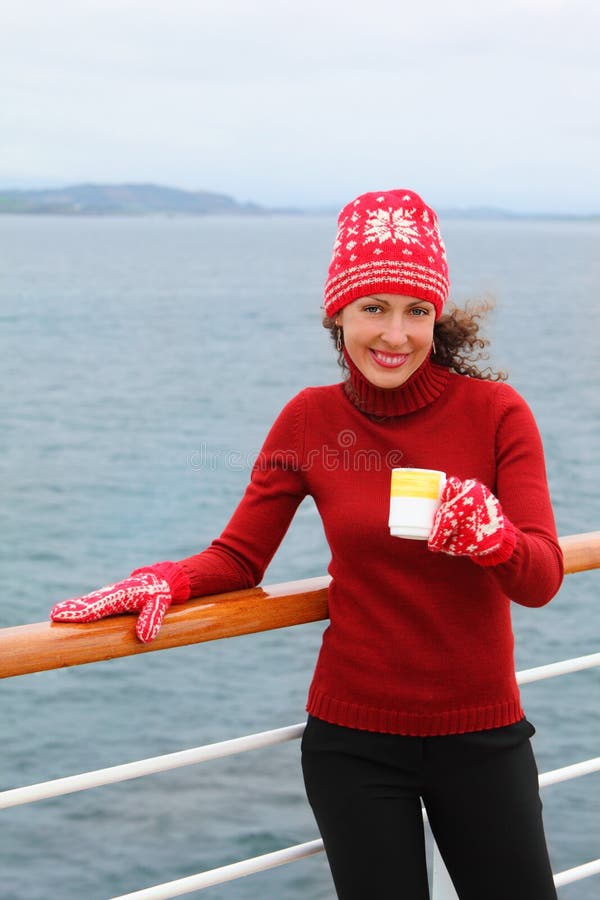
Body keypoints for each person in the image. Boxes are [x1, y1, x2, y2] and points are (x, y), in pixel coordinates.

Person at [51, 189, 563, 899]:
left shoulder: (497, 413)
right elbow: (239, 558)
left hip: (483, 738)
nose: (396, 334)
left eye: (416, 310)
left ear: (437, 317)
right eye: (373, 308)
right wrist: (167, 579)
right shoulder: (309, 419)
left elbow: (540, 579)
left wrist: (494, 537)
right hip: (353, 744)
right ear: (338, 314)